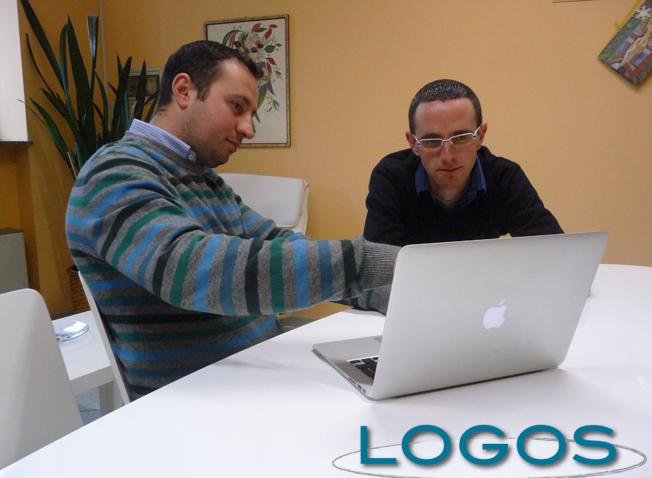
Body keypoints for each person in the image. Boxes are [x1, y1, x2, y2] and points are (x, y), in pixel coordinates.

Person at [66, 40, 398, 399]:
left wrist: (394, 292)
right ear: (184, 90)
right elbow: (193, 270)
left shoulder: (205, 180)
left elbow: (276, 244)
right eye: (237, 107)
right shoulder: (113, 173)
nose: (248, 129)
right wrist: (369, 262)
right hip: (193, 404)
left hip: (255, 381)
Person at [351, 79, 562, 313]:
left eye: (461, 138)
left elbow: (557, 259)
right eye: (432, 141)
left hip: (480, 312)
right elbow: (376, 275)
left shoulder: (504, 177)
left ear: (480, 136)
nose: (448, 156)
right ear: (413, 143)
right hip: (416, 317)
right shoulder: (392, 178)